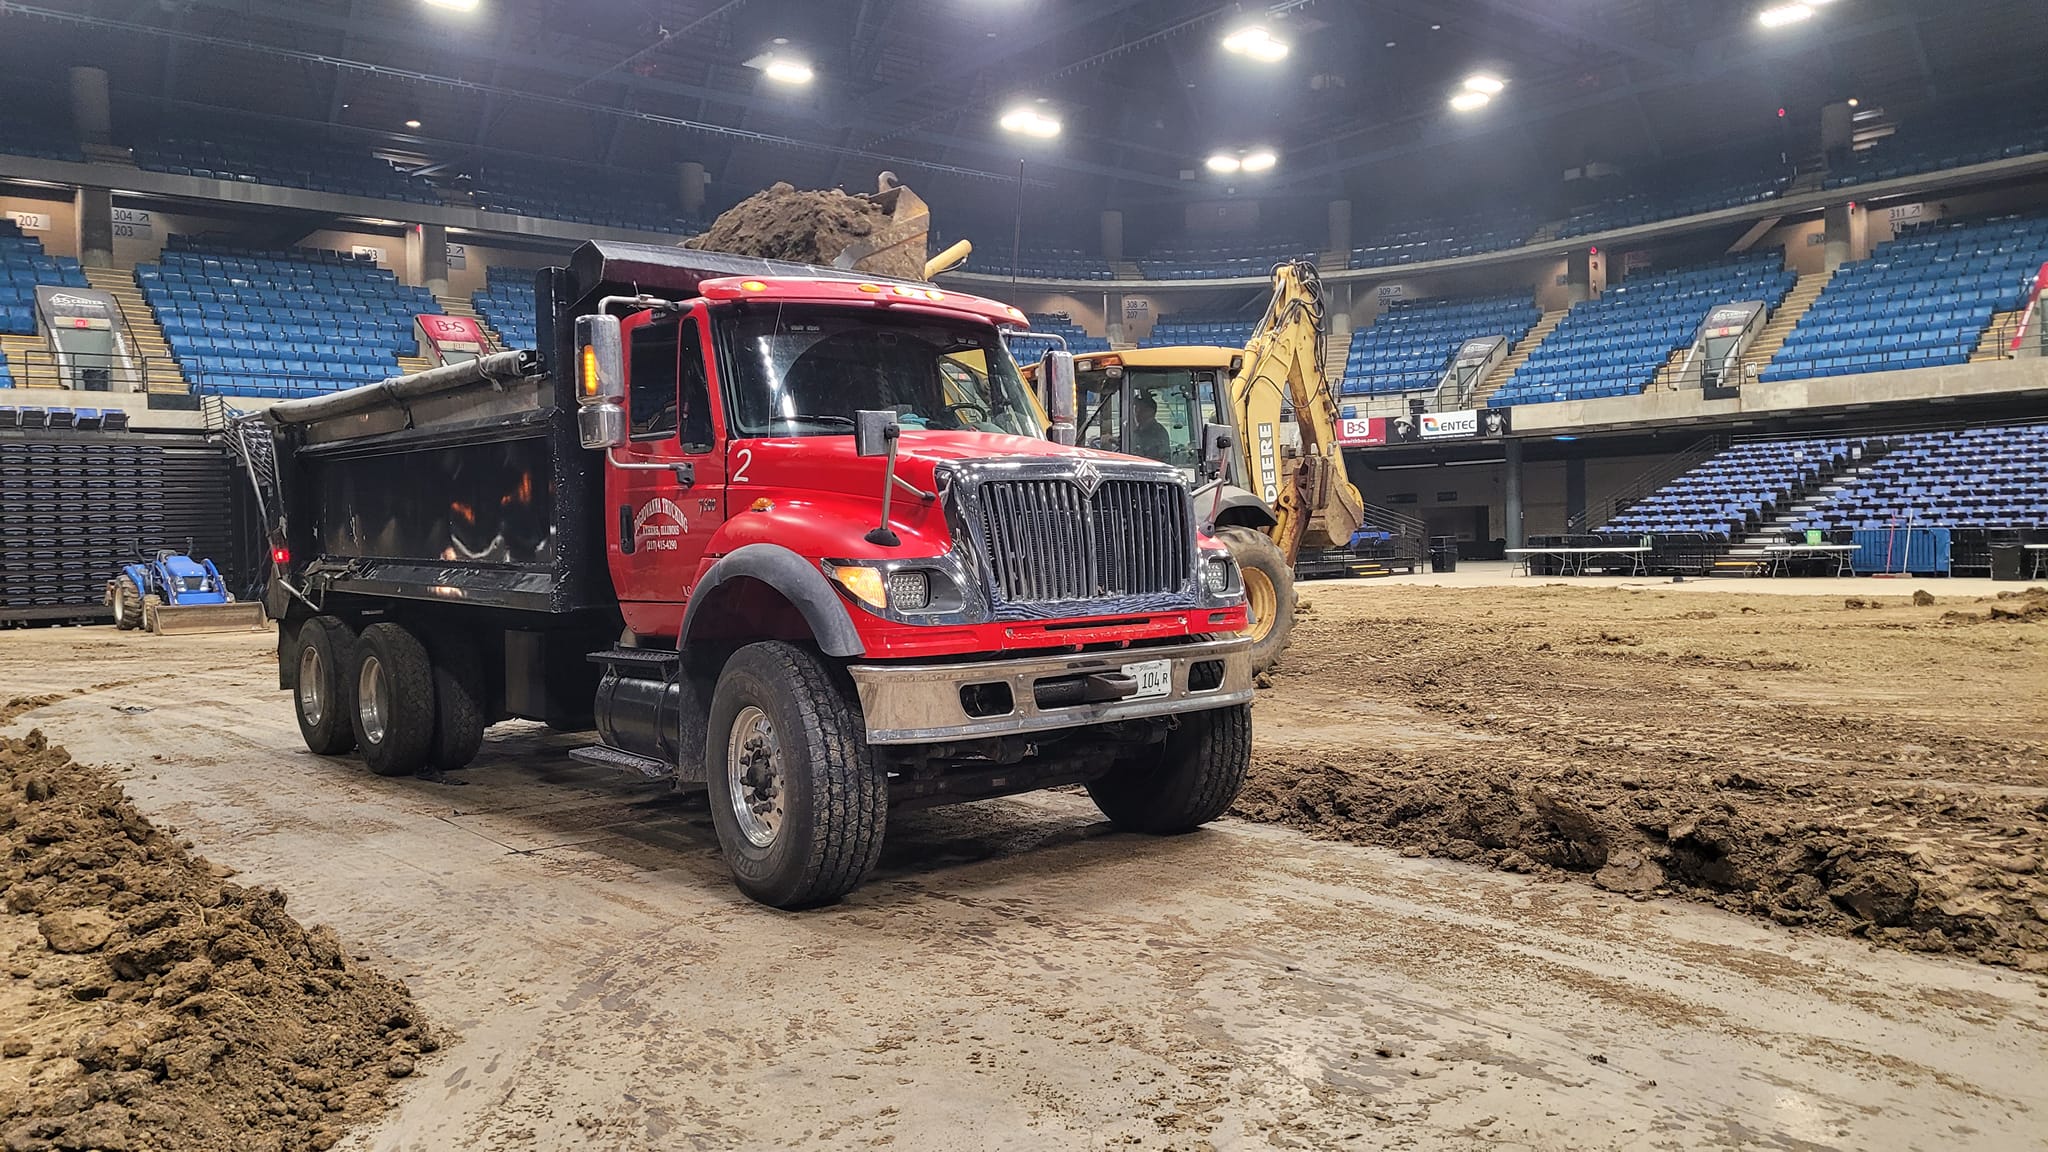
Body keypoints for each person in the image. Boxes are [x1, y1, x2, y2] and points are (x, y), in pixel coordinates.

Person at [1129, 393, 1172, 461]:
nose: (1137, 412)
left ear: (1151, 411)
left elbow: (1160, 458)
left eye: (1141, 409)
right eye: (1136, 409)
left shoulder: (1157, 432)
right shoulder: (1137, 431)